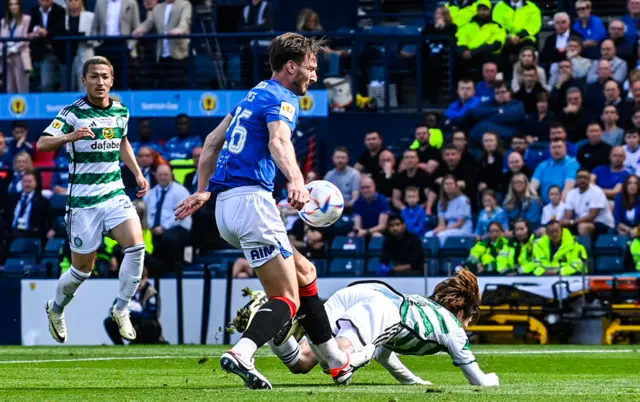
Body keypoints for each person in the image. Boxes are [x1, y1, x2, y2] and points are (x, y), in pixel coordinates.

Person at [173, 33, 352, 389]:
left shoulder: (251, 95)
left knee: (305, 272)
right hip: (253, 203)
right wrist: (297, 180)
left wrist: (203, 190)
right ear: (291, 66)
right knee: (286, 297)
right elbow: (278, 141)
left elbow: (211, 143)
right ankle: (243, 351)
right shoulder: (283, 98)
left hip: (225, 206)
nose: (314, 76)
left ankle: (334, 361)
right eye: (311, 68)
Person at [37, 56, 150, 345]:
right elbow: (42, 143)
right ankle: (57, 308)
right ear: (84, 80)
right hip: (83, 203)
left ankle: (121, 308)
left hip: (114, 195)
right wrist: (70, 137)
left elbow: (123, 142)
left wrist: (137, 174)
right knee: (81, 271)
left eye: (105, 77)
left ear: (112, 80)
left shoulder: (121, 111)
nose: (100, 82)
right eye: (94, 77)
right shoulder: (72, 113)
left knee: (136, 247)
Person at [265, 269, 501, 387]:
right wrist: (494, 379)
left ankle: (276, 330)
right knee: (337, 363)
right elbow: (478, 380)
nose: (467, 328)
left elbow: (386, 355)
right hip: (383, 306)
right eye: (469, 322)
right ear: (460, 313)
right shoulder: (453, 328)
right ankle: (304, 315)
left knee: (302, 363)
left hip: (369, 292)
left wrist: (414, 382)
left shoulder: (426, 305)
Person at [131, 0, 192, 89]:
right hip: (162, 54)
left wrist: (179, 30)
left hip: (179, 53)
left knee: (177, 85)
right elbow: (148, 23)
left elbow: (185, 21)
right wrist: (139, 30)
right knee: (164, 85)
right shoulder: (158, 8)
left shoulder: (184, 4)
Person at [143, 164, 192, 273]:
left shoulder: (180, 191)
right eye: (160, 175)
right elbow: (147, 214)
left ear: (171, 175)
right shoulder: (150, 194)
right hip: (155, 229)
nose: (163, 177)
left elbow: (180, 213)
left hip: (178, 227)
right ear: (156, 176)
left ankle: (170, 269)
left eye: (166, 174)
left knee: (167, 239)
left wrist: (163, 227)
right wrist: (151, 227)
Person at [103, 268, 164, 345]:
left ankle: (143, 342)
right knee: (109, 321)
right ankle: (119, 345)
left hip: (144, 324)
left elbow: (152, 315)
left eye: (140, 280)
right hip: (130, 321)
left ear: (145, 279)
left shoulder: (151, 293)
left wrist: (131, 313)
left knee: (150, 325)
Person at [561, 168, 615, 237]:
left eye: (585, 178)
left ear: (589, 179)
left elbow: (591, 216)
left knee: (583, 226)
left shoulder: (597, 191)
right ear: (576, 180)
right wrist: (563, 223)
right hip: (580, 222)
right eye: (580, 177)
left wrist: (572, 222)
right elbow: (567, 216)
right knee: (558, 227)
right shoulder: (571, 193)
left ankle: (584, 248)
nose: (582, 180)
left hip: (602, 224)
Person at [425, 175, 473, 245]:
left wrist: (443, 229)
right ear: (443, 187)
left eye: (451, 184)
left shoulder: (463, 200)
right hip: (448, 228)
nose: (449, 186)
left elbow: (459, 224)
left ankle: (441, 254)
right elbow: (441, 224)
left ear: (456, 186)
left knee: (442, 235)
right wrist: (437, 230)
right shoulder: (441, 203)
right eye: (446, 184)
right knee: (428, 235)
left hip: (462, 229)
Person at [531, 139, 580, 203]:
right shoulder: (542, 165)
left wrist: (558, 206)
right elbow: (532, 186)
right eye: (553, 148)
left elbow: (568, 188)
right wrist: (537, 200)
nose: (556, 150)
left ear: (565, 148)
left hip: (563, 204)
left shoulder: (572, 163)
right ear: (550, 150)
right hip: (544, 206)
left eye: (559, 147)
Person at [0, 0, 32, 93]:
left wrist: (13, 49)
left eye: (16, 4)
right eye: (11, 4)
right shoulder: (3, 21)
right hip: (6, 57)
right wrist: (3, 51)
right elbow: (1, 39)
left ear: (20, 6)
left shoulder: (26, 19)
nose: (14, 6)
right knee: (10, 89)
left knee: (22, 88)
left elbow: (25, 38)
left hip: (20, 55)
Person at [65, 0, 95, 92]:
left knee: (84, 79)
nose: (73, 2)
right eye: (70, 0)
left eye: (76, 0)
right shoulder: (63, 18)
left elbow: (95, 33)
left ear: (81, 2)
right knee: (69, 81)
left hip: (85, 49)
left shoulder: (90, 16)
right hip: (69, 51)